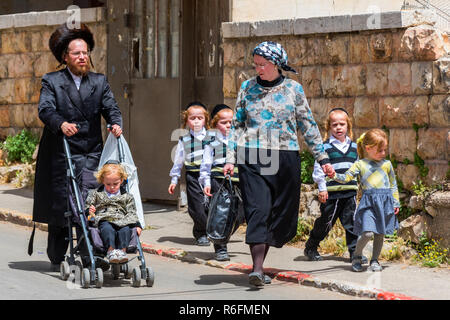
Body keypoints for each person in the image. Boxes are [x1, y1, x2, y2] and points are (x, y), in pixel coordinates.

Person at [223, 41, 335, 286]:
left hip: (285, 156)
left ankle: (262, 261)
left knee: (283, 214)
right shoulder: (246, 88)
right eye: (256, 65)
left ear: (276, 64)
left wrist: (323, 158)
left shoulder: (293, 89)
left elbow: (308, 125)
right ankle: (257, 268)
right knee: (258, 209)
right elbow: (237, 126)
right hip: (252, 156)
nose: (258, 69)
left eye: (263, 64)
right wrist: (230, 158)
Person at [32, 23, 123, 271]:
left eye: (85, 53)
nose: (83, 57)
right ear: (65, 57)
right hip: (62, 153)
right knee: (63, 206)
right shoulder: (52, 81)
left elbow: (111, 107)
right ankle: (57, 254)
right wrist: (60, 123)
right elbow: (45, 109)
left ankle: (90, 254)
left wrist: (116, 123)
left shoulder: (99, 81)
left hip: (91, 151)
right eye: (76, 53)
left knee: (89, 203)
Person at [328, 128, 400, 272]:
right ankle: (357, 256)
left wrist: (396, 201)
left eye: (384, 150)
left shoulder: (387, 164)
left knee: (380, 233)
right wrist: (334, 175)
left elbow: (393, 184)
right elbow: (346, 178)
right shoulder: (360, 164)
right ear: (368, 148)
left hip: (385, 202)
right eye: (380, 150)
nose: (383, 153)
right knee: (367, 233)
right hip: (368, 203)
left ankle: (375, 260)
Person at [305, 107, 367, 263]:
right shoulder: (324, 148)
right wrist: (322, 188)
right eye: (334, 125)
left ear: (348, 126)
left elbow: (358, 167)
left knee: (352, 223)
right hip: (331, 193)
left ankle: (355, 253)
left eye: (342, 124)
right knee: (325, 223)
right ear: (329, 127)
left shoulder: (354, 147)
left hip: (350, 192)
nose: (339, 127)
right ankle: (311, 246)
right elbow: (319, 169)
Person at [199, 104, 243, 261]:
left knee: (239, 215)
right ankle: (220, 248)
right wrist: (206, 182)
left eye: (231, 122)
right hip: (219, 181)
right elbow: (206, 163)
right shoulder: (212, 141)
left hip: (239, 182)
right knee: (221, 214)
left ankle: (221, 235)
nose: (229, 125)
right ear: (215, 124)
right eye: (224, 122)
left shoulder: (240, 140)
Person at [168, 101, 211, 246]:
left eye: (200, 118)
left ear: (206, 120)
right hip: (193, 176)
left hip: (211, 176)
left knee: (211, 206)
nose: (197, 121)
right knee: (197, 207)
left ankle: (214, 231)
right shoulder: (184, 140)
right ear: (187, 121)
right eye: (193, 118)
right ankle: (201, 233)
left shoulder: (212, 138)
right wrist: (174, 180)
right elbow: (178, 160)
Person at [86, 161, 142, 264]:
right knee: (107, 229)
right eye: (108, 184)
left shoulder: (127, 197)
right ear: (103, 181)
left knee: (125, 230)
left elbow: (132, 211)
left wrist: (137, 225)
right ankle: (110, 251)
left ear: (121, 180)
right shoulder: (96, 194)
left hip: (122, 220)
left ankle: (122, 252)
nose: (112, 187)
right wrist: (90, 211)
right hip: (104, 219)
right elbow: (88, 206)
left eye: (115, 184)